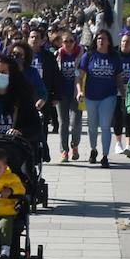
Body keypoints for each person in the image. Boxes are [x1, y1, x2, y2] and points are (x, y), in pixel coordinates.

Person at [77, 27, 126, 167]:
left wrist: (123, 95)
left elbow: (118, 78)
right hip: (91, 96)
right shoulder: (89, 56)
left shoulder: (114, 57)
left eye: (104, 38)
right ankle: (93, 150)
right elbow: (79, 77)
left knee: (105, 125)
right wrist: (80, 91)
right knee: (92, 126)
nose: (101, 41)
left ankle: (105, 155)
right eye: (98, 38)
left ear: (109, 42)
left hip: (108, 96)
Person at [55, 29, 84, 161]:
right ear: (61, 43)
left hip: (77, 93)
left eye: (71, 41)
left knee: (76, 122)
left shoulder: (81, 55)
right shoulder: (58, 55)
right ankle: (64, 151)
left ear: (75, 42)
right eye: (65, 41)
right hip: (61, 94)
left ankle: (75, 145)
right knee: (63, 123)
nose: (68, 44)